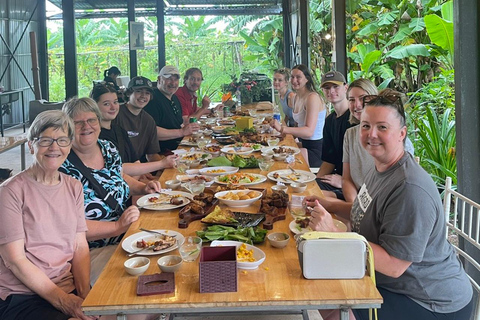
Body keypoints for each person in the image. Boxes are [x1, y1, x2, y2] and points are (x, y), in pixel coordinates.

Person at [306, 89, 473, 320]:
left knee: (336, 306)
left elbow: (395, 265)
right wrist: (329, 205)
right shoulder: (382, 167)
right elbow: (365, 211)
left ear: (402, 133)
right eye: (365, 126)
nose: (371, 134)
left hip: (429, 300)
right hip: (394, 282)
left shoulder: (409, 188)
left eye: (382, 127)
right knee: (321, 284)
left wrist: (336, 234)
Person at [0, 110, 93, 320]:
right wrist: (65, 302)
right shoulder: (10, 192)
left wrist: (86, 295)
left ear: (69, 145)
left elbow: (79, 246)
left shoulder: (73, 186)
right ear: (31, 145)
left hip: (64, 284)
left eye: (62, 140)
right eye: (45, 140)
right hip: (23, 295)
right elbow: (15, 261)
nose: (54, 148)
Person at [59, 97, 161, 285]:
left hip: (128, 237)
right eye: (78, 122)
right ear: (67, 127)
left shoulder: (108, 148)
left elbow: (118, 177)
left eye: (91, 120)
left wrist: (142, 187)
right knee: (147, 282)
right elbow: (66, 226)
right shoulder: (61, 166)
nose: (86, 126)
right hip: (89, 252)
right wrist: (116, 227)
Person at [91, 83, 176, 178]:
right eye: (106, 104)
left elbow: (135, 160)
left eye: (115, 102)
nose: (113, 107)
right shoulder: (94, 136)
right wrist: (161, 164)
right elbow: (117, 170)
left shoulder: (119, 130)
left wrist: (143, 177)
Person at [270, 64, 326, 167]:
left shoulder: (312, 97)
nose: (294, 80)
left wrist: (283, 129)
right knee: (274, 154)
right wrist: (281, 136)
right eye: (292, 77)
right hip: (303, 144)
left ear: (307, 79)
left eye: (298, 77)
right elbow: (297, 126)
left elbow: (309, 132)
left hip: (316, 151)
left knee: (282, 164)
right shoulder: (296, 97)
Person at [144, 65, 200, 153]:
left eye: (176, 79)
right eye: (169, 78)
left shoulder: (174, 98)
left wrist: (190, 128)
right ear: (159, 79)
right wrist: (181, 132)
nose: (173, 83)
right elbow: (151, 131)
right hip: (163, 152)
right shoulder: (152, 99)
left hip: (181, 146)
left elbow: (179, 123)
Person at [315, 70, 353, 200]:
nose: (331, 91)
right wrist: (314, 182)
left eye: (336, 86)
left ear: (345, 87)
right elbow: (329, 160)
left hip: (353, 186)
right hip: (335, 179)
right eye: (327, 88)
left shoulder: (355, 119)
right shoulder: (330, 120)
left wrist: (343, 181)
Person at [114, 76, 163, 163]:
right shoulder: (115, 115)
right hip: (117, 170)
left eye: (147, 93)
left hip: (139, 168)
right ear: (128, 93)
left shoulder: (149, 120)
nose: (143, 96)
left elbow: (151, 155)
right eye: (138, 91)